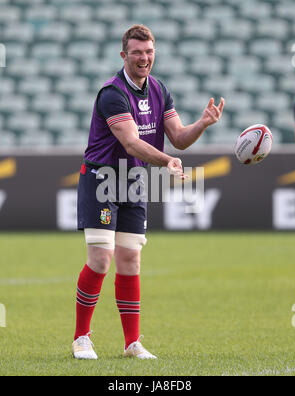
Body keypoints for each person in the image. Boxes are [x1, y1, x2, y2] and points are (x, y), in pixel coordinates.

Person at [72, 24, 225, 360]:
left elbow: (179, 137)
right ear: (124, 55)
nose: (144, 58)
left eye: (149, 51)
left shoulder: (159, 89)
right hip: (102, 179)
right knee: (101, 258)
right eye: (137, 52)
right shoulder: (112, 93)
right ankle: (81, 337)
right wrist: (168, 160)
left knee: (130, 260)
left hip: (135, 180)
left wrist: (202, 123)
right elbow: (130, 142)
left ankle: (132, 344)